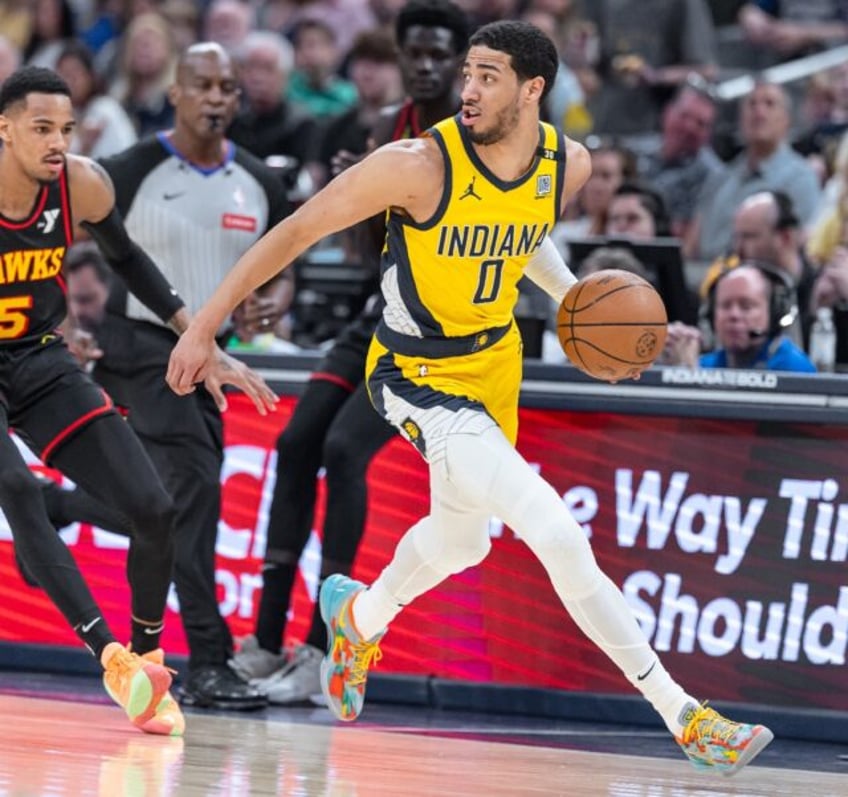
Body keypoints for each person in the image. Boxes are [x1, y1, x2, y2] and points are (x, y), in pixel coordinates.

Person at [168, 20, 774, 775]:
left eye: (489, 75)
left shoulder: (568, 162)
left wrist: (573, 300)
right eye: (469, 73)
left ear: (533, 89)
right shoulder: (416, 165)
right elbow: (294, 231)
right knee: (555, 530)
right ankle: (684, 714)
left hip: (494, 366)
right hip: (417, 376)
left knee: (462, 541)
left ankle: (355, 617)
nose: (470, 88)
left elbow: (521, 236)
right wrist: (203, 328)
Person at [0, 65, 273, 735]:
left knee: (155, 508)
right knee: (19, 489)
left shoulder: (83, 183)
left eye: (65, 127)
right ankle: (112, 658)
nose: (57, 141)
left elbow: (132, 264)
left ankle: (149, 658)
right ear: (4, 129)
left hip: (37, 356)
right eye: (40, 128)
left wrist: (200, 336)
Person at [229, 0, 470, 706]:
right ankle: (267, 641)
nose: (426, 65)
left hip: (438, 332)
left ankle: (325, 644)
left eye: (439, 55)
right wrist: (359, 197)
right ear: (400, 59)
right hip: (381, 312)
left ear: (459, 65)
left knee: (342, 450)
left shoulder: (472, 138)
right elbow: (370, 256)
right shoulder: (383, 129)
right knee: (298, 440)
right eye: (415, 53)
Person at [664, 262, 816, 371]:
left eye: (746, 306)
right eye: (725, 305)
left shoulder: (794, 368)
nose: (734, 315)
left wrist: (691, 378)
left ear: (774, 312)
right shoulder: (706, 365)